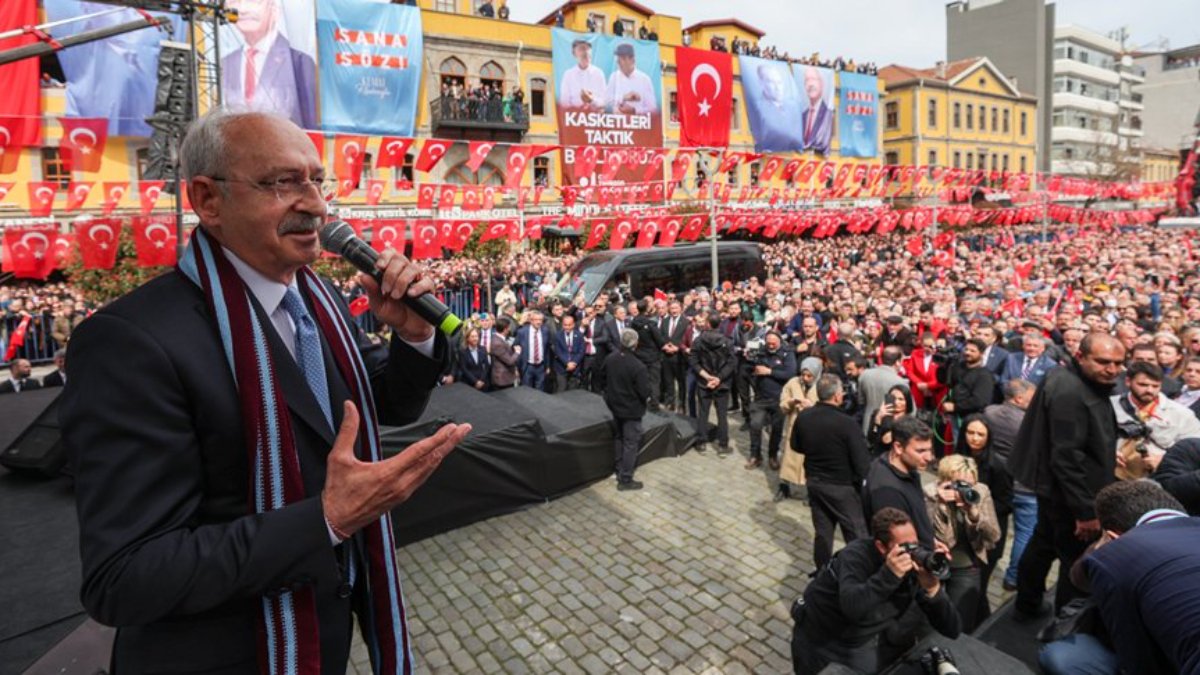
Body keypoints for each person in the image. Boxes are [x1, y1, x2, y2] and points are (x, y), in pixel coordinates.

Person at [60, 109, 468, 674]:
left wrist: (415, 333)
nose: (317, 205)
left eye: (317, 181)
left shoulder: (315, 301)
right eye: (283, 183)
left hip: (320, 641)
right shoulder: (131, 343)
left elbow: (379, 403)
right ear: (207, 200)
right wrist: (325, 520)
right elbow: (125, 578)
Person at [1010, 333, 1124, 615]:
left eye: (1119, 363)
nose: (1112, 369)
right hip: (1069, 495)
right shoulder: (1071, 391)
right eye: (1104, 362)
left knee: (1043, 544)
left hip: (1057, 489)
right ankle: (1062, 621)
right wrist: (1085, 511)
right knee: (1073, 560)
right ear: (1080, 357)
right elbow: (1066, 456)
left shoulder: (1068, 378)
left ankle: (1027, 603)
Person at [1039, 481, 1200, 675]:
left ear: (1114, 537)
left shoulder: (1123, 553)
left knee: (1062, 657)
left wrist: (1107, 548)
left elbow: (1136, 656)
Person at [790, 507, 961, 675]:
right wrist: (889, 575)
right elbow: (852, 606)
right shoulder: (855, 556)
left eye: (915, 544)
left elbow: (952, 629)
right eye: (905, 547)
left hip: (869, 640)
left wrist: (933, 590)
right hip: (821, 639)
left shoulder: (916, 566)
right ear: (881, 547)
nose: (913, 552)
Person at [791, 374, 870, 568]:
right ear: (836, 396)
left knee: (823, 532)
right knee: (856, 533)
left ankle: (822, 571)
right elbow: (862, 464)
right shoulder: (847, 423)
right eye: (841, 392)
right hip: (842, 487)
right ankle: (857, 571)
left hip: (815, 482)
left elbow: (796, 446)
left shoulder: (804, 416)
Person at [923, 455, 1000, 633]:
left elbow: (994, 535)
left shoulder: (980, 492)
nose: (964, 490)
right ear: (944, 481)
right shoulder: (930, 493)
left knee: (962, 622)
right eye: (959, 484)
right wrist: (941, 505)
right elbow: (941, 538)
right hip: (937, 565)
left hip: (968, 566)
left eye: (969, 484)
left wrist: (974, 514)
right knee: (931, 620)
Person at [220, 0, 317, 129]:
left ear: (275, 10)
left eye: (253, 2)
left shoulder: (299, 61)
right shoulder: (225, 63)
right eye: (234, 1)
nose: (242, 9)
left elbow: (308, 117)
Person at [984, 379, 1036, 591]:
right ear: (1018, 398)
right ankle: (1013, 578)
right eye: (1032, 399)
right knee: (1024, 533)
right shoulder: (1029, 424)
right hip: (1024, 485)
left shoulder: (989, 412)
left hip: (996, 482)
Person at [1111, 361, 1200, 480]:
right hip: (1111, 475)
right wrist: (1108, 453)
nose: (1149, 390)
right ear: (1128, 382)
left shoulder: (1181, 414)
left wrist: (1165, 460)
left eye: (1155, 386)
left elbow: (1193, 451)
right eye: (1143, 385)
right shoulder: (1109, 405)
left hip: (1156, 480)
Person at [863, 417, 937, 546]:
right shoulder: (887, 491)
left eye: (929, 450)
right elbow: (898, 543)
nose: (929, 457)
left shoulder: (907, 469)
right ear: (898, 447)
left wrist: (932, 542)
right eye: (920, 451)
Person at [603, 329, 650, 491]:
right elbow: (645, 392)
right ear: (635, 344)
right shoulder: (638, 366)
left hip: (614, 405)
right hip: (631, 410)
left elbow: (602, 378)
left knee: (619, 437)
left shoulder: (610, 358)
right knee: (630, 442)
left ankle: (619, 467)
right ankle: (625, 478)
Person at [746, 331, 796, 471]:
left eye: (774, 342)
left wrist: (769, 372)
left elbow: (790, 373)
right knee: (755, 425)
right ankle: (755, 455)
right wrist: (751, 366)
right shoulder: (761, 352)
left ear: (779, 341)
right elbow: (750, 370)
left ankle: (773, 455)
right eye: (768, 343)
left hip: (778, 398)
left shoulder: (787, 353)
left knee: (777, 429)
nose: (771, 345)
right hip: (760, 397)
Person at [690, 314, 735, 454]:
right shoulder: (727, 341)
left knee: (703, 412)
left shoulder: (698, 340)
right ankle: (723, 445)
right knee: (722, 414)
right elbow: (732, 362)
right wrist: (718, 378)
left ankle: (701, 442)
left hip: (705, 381)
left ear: (708, 324)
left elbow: (693, 361)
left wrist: (707, 376)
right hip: (721, 383)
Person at [778, 357, 822, 498]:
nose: (805, 378)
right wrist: (791, 402)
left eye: (809, 376)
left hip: (813, 431)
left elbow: (828, 409)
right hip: (793, 428)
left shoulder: (822, 386)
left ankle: (811, 492)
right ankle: (783, 487)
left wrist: (812, 407)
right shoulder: (793, 383)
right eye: (803, 374)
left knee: (810, 462)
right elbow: (782, 404)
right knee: (787, 457)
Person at [938, 338, 996, 438]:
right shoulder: (958, 366)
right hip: (953, 416)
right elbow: (944, 381)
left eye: (972, 351)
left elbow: (980, 401)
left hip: (969, 419)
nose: (968, 353)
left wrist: (956, 407)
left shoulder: (984, 375)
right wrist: (944, 365)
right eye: (966, 349)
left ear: (981, 354)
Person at [857, 346, 908, 435]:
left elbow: (861, 401)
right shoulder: (901, 382)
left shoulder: (865, 375)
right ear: (897, 362)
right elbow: (911, 409)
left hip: (868, 424)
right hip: (889, 428)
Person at [630, 298, 665, 410]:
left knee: (641, 379)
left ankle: (641, 400)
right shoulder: (650, 323)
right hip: (652, 356)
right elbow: (660, 340)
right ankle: (654, 403)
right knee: (654, 381)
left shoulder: (633, 323)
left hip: (638, 355)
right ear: (647, 309)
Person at [606, 43, 657, 115]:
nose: (619, 62)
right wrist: (623, 97)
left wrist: (634, 110)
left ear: (632, 60)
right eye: (618, 58)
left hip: (638, 124)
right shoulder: (614, 77)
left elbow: (653, 109)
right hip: (617, 123)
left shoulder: (644, 80)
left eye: (623, 58)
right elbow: (607, 103)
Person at [558, 39, 606, 111]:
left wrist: (591, 100)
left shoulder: (598, 73)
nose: (586, 52)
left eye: (588, 49)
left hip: (594, 117)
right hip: (574, 117)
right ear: (574, 53)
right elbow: (564, 102)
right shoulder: (568, 75)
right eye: (582, 49)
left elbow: (604, 101)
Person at [658, 300, 688, 412]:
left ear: (680, 308)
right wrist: (664, 346)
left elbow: (687, 338)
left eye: (676, 308)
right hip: (666, 357)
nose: (674, 310)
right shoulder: (664, 321)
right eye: (672, 308)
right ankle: (670, 403)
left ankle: (681, 404)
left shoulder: (686, 322)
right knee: (668, 381)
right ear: (669, 309)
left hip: (680, 357)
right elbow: (660, 336)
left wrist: (678, 347)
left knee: (681, 383)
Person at [868, 385, 912, 457]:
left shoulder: (910, 421)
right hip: (879, 457)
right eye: (893, 398)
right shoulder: (878, 414)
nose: (896, 402)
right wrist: (878, 419)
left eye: (901, 399)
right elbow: (871, 438)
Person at [799, 65, 833, 154]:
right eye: (807, 80)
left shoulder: (828, 115)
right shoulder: (802, 116)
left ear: (821, 84)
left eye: (813, 79)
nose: (810, 84)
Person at [516, 309, 552, 391]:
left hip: (541, 366)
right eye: (536, 320)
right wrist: (517, 367)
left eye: (540, 320)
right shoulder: (522, 332)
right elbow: (516, 348)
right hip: (528, 366)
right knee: (527, 390)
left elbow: (547, 349)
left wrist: (547, 366)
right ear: (531, 321)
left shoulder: (545, 331)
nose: (539, 322)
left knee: (540, 390)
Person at [552, 313, 585, 393]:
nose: (567, 327)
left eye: (569, 325)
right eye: (565, 325)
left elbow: (581, 351)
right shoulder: (557, 335)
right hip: (561, 367)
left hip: (575, 368)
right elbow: (558, 351)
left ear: (573, 324)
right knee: (561, 390)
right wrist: (567, 363)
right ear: (562, 325)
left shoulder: (579, 335)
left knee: (573, 392)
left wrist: (574, 363)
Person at [455, 327, 491, 391]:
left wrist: (481, 380)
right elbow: (464, 369)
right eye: (472, 336)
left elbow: (486, 366)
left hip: (483, 382)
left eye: (476, 336)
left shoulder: (483, 349)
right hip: (469, 383)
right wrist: (475, 381)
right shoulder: (462, 351)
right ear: (467, 338)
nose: (475, 339)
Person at [489, 316, 520, 390]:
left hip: (507, 377)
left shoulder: (499, 339)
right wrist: (517, 352)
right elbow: (509, 361)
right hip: (502, 379)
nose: (509, 329)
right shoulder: (497, 343)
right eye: (508, 327)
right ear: (505, 329)